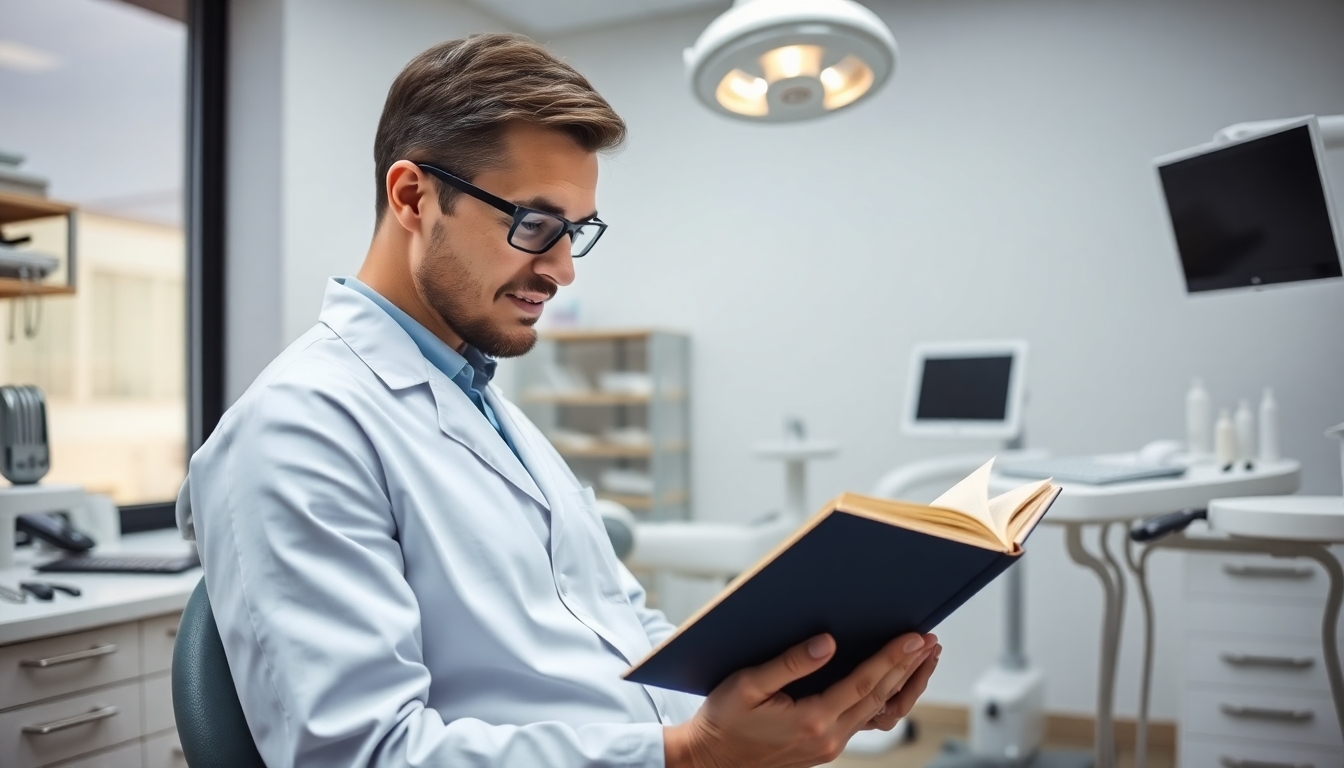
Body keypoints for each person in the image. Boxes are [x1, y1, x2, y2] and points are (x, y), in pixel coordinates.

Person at [181, 33, 940, 768]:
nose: (563, 271)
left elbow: (621, 624)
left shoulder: (488, 408)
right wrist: (693, 756)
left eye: (575, 232)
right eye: (536, 224)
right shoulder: (296, 430)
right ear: (414, 197)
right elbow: (361, 755)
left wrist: (787, 698)